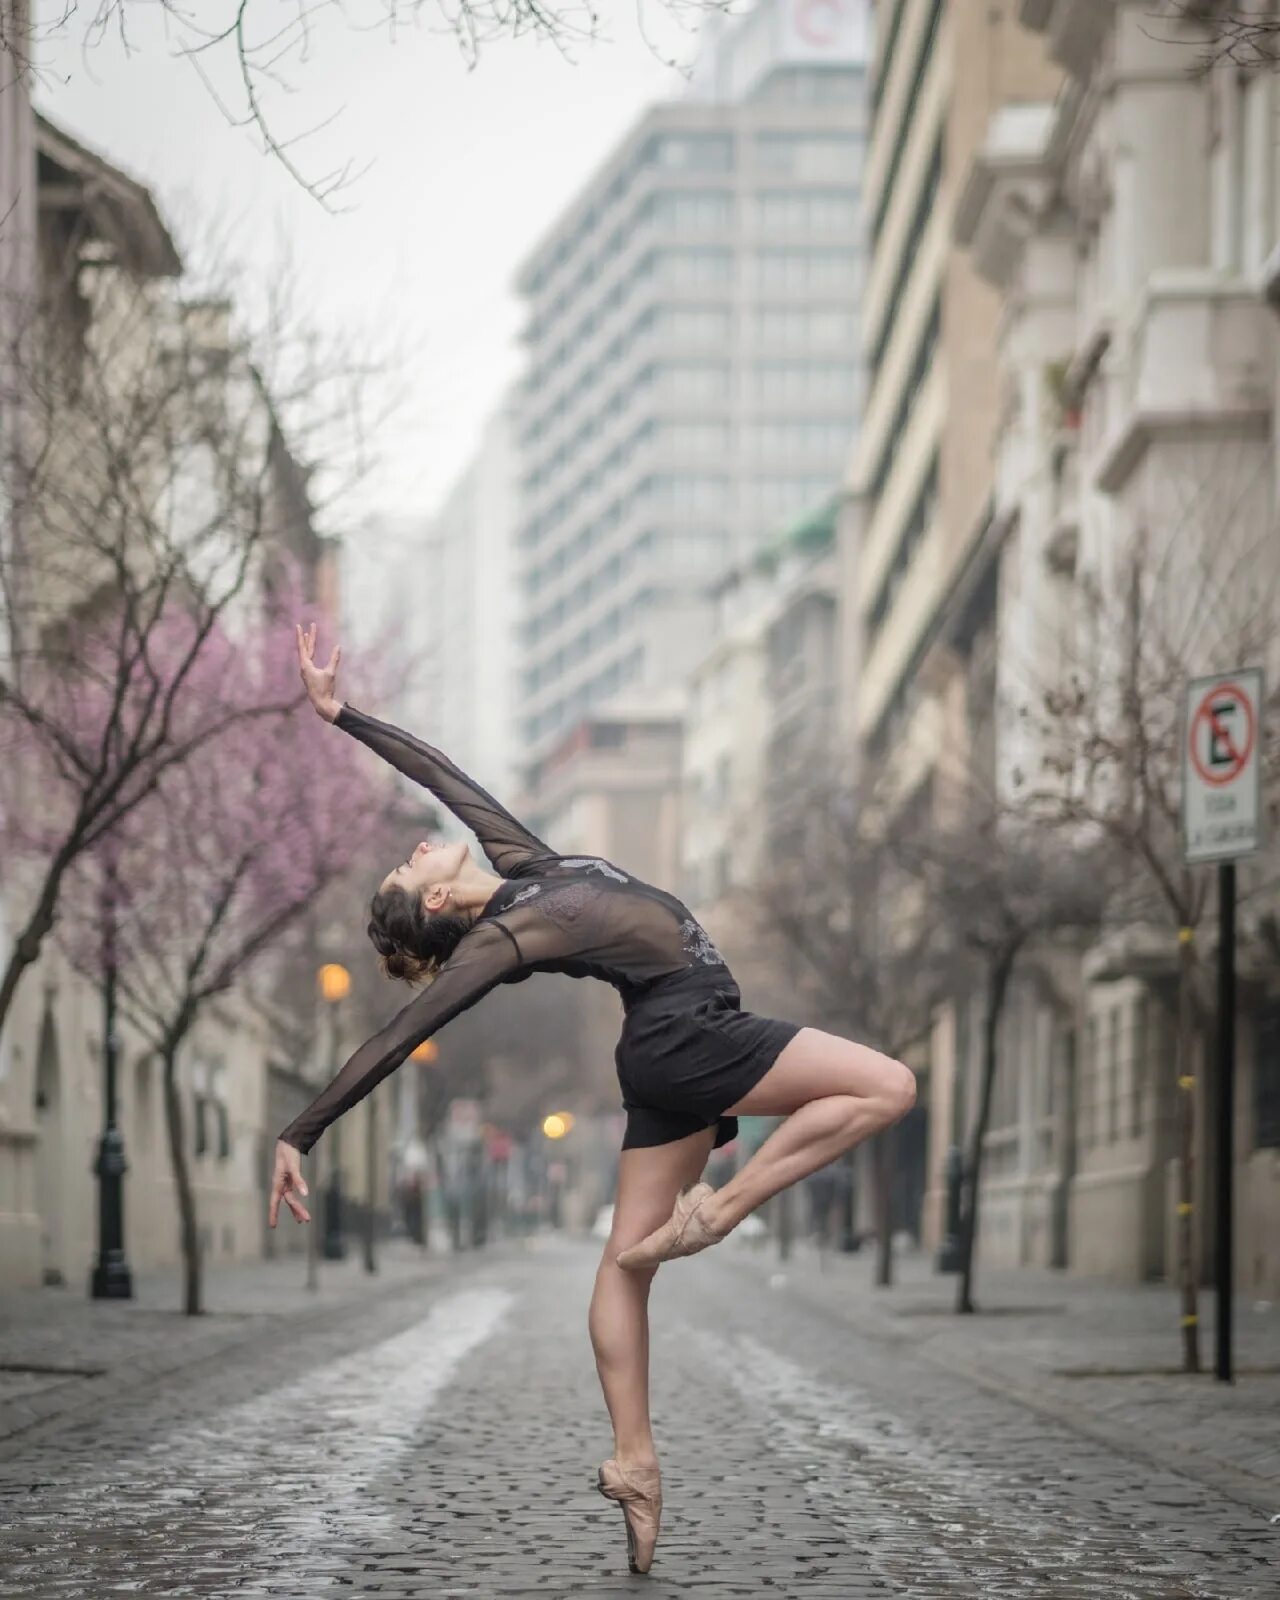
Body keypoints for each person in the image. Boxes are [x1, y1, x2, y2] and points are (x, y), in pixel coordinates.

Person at [269, 623, 916, 1576]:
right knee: (889, 1085)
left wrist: (342, 715)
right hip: (689, 1035)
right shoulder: (504, 935)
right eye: (411, 870)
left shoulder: (525, 866)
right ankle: (723, 1211)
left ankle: (637, 1466)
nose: (418, 846)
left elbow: (441, 775)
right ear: (439, 906)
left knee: (623, 1267)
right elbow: (396, 1038)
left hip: (662, 1046)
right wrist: (301, 1132)